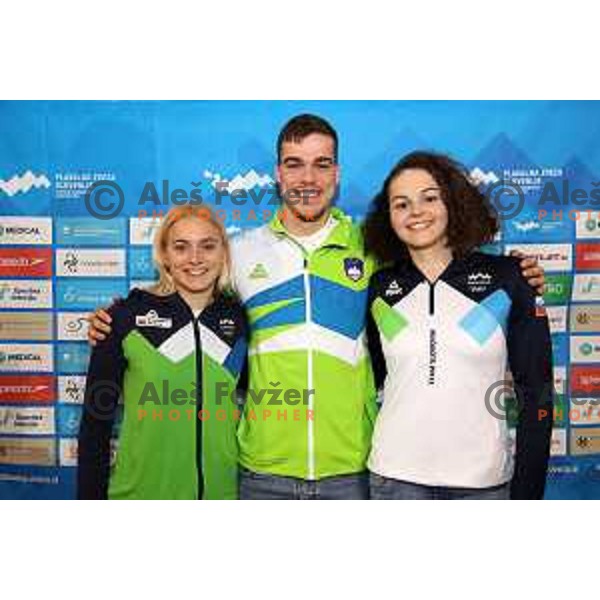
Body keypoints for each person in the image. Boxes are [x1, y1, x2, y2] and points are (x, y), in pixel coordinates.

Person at [88, 114, 546, 500]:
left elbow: (443, 268)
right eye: (295, 165)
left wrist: (518, 274)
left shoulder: (374, 249)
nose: (308, 179)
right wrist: (119, 316)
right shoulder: (241, 253)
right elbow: (187, 295)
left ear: (337, 173)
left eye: (321, 165)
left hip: (353, 469)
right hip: (262, 472)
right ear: (278, 173)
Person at [363, 151, 554, 500]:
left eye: (430, 198)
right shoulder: (379, 288)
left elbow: (537, 392)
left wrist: (528, 495)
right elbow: (375, 376)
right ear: (388, 217)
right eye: (401, 204)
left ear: (452, 202)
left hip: (482, 483)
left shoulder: (509, 278)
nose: (416, 211)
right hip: (394, 480)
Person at [78, 205, 247, 499]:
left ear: (223, 253)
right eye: (181, 247)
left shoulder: (240, 320)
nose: (195, 259)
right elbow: (95, 423)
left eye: (207, 246)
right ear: (165, 255)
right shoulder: (124, 318)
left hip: (223, 495)